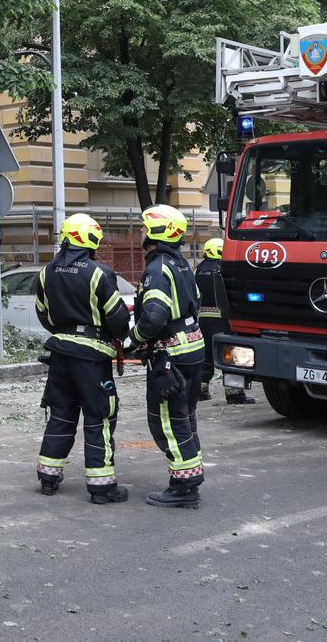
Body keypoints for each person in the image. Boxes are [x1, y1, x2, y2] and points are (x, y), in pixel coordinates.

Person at [33, 213, 133, 505]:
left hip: (60, 353)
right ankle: (102, 488)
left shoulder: (46, 272)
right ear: (90, 239)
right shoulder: (99, 272)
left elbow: (43, 314)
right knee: (98, 416)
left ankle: (48, 479)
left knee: (61, 413)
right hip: (91, 357)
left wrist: (64, 331)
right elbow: (117, 318)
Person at [132, 204, 207, 509]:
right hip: (192, 349)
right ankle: (191, 472)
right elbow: (197, 303)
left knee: (168, 421)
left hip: (170, 356)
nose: (140, 231)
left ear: (155, 231)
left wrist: (134, 338)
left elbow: (153, 317)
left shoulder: (157, 268)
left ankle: (184, 487)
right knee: (185, 417)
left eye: (144, 226)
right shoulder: (182, 264)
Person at [195, 238, 254, 405]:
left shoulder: (197, 270)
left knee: (205, 357)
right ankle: (234, 394)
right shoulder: (223, 269)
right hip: (223, 320)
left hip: (202, 320)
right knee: (231, 356)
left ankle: (200, 391)